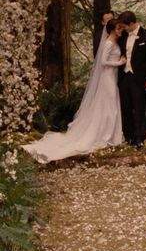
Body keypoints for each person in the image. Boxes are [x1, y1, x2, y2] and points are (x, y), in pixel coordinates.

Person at [22, 19, 126, 163]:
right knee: (109, 105)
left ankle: (111, 133)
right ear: (112, 30)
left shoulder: (114, 42)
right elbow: (103, 62)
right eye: (119, 28)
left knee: (111, 104)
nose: (121, 30)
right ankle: (105, 134)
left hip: (112, 76)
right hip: (107, 77)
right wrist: (119, 63)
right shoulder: (108, 43)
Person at [118, 11, 146, 149]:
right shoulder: (122, 36)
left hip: (139, 77)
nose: (123, 29)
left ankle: (140, 137)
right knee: (125, 106)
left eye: (125, 26)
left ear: (132, 23)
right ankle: (128, 136)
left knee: (139, 107)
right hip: (124, 76)